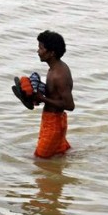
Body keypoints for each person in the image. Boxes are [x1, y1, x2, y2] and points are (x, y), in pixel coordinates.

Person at [32, 30, 74, 158]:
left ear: (51, 53)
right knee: (58, 158)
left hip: (54, 124)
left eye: (41, 48)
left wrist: (42, 98)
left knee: (40, 160)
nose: (38, 51)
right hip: (53, 120)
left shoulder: (59, 75)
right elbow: (55, 94)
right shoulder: (54, 68)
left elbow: (69, 105)